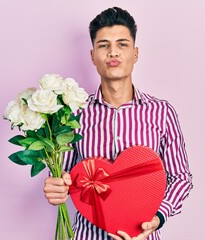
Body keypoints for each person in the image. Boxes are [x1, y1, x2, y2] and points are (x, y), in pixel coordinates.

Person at [43, 6, 193, 240]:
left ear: (135, 53)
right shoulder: (74, 115)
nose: (113, 52)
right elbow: (65, 175)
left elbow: (181, 177)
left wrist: (157, 218)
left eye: (122, 44)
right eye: (104, 45)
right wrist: (56, 185)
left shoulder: (162, 113)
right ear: (93, 56)